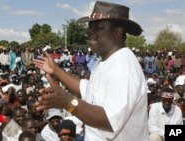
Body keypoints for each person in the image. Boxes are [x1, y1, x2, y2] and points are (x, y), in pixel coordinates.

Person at [34, 1, 148, 141]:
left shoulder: (122, 68)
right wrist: (56, 70)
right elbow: (87, 89)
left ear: (117, 32)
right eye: (90, 27)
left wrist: (68, 102)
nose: (89, 31)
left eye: (98, 27)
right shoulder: (105, 61)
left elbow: (109, 120)